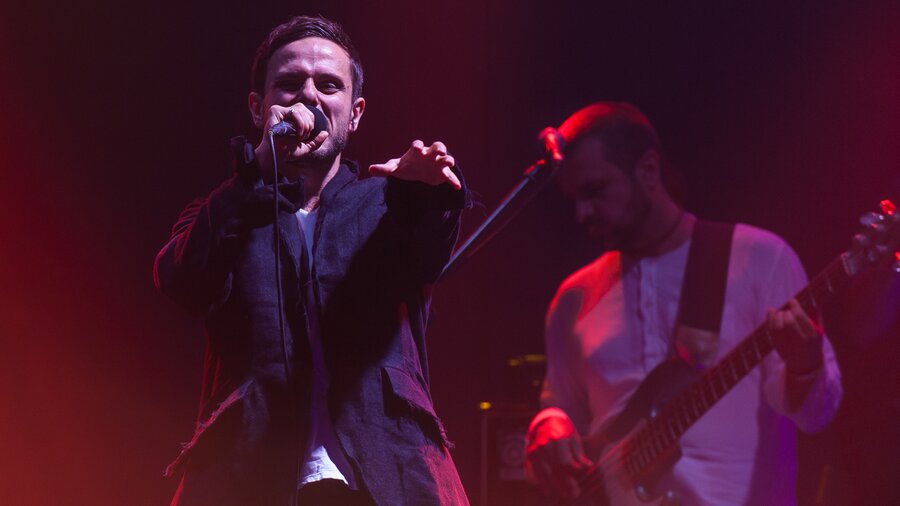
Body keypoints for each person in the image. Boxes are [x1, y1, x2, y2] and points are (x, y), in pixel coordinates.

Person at [154, 15, 469, 506]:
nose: (308, 96)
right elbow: (180, 278)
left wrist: (429, 191)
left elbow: (430, 242)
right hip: (250, 480)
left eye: (328, 85)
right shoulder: (226, 212)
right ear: (258, 108)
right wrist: (256, 172)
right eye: (289, 84)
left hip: (389, 480)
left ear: (355, 113)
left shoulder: (389, 203)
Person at [525, 102, 842, 505]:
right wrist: (548, 423)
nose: (582, 213)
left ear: (648, 170)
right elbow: (560, 406)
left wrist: (805, 366)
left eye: (595, 191)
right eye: (574, 197)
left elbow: (817, 416)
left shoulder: (761, 259)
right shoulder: (574, 298)